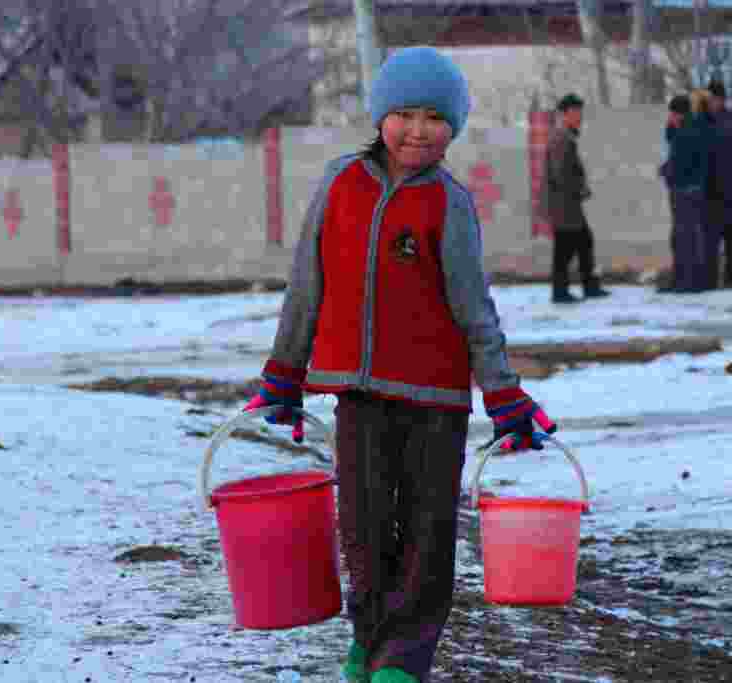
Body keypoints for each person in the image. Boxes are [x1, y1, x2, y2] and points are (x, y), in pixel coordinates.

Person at [245, 46, 559, 683]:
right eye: (405, 115)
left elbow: (474, 308)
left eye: (436, 118)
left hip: (435, 398)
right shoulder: (340, 183)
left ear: (453, 128)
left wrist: (503, 393)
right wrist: (284, 373)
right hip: (357, 394)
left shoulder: (449, 202)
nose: (418, 130)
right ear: (381, 117)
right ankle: (369, 640)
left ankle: (404, 659)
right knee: (362, 527)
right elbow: (306, 283)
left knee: (426, 529)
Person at [544, 93, 610, 304]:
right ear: (564, 114)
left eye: (580, 112)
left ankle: (587, 286)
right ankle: (561, 292)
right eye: (575, 112)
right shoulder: (561, 138)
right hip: (564, 205)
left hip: (568, 204)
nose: (579, 116)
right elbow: (560, 174)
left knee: (583, 243)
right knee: (565, 249)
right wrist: (579, 189)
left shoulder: (565, 137)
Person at [660, 92, 714, 293]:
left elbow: (681, 163)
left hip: (686, 191)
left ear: (679, 114)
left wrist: (666, 171)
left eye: (672, 114)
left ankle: (688, 282)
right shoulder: (685, 129)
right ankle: (682, 279)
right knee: (681, 237)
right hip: (686, 190)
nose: (670, 117)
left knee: (685, 238)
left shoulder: (688, 132)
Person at [706, 79, 732, 289]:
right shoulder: (707, 121)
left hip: (728, 189)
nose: (709, 104)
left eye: (712, 99)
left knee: (731, 237)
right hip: (711, 191)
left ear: (720, 99)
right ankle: (712, 280)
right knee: (710, 239)